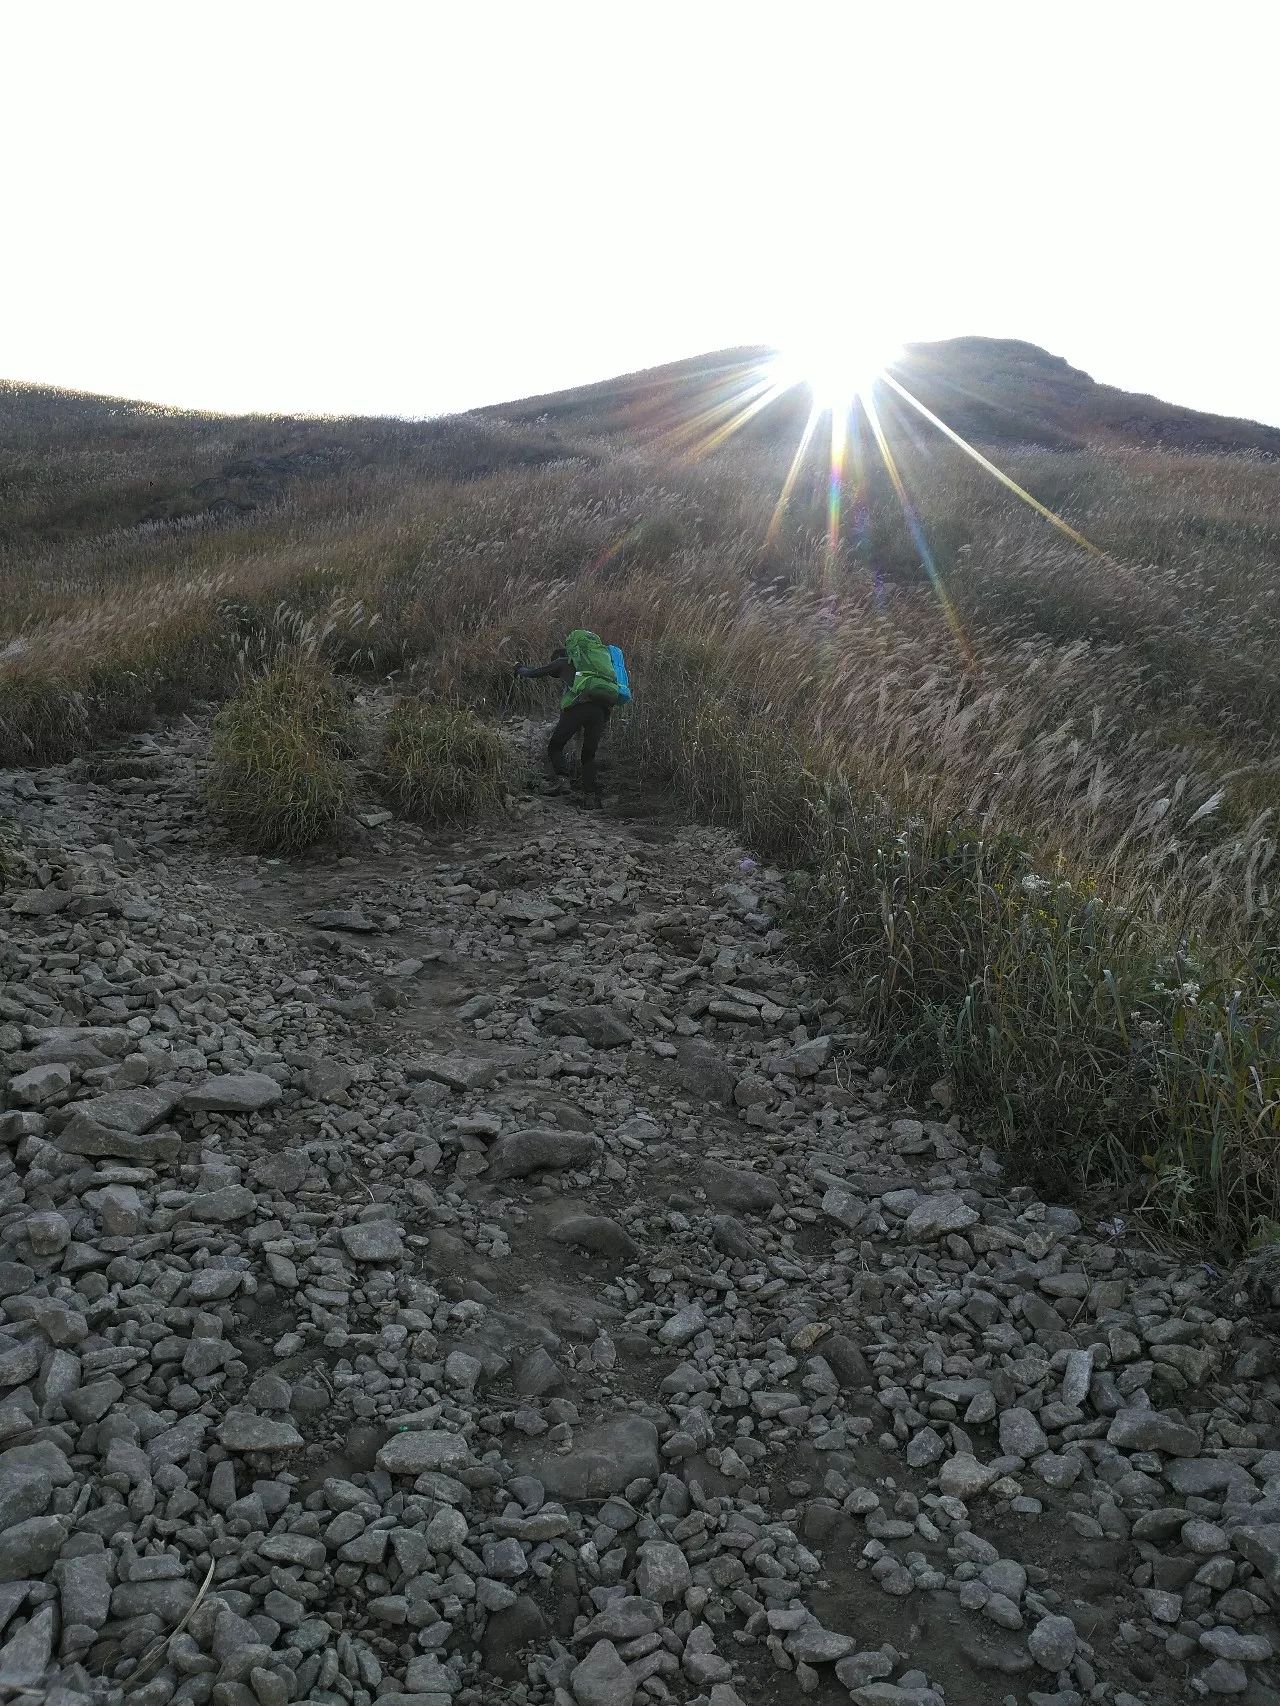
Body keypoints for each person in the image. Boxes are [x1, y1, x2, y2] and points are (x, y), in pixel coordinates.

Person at [515, 628, 623, 802]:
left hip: (578, 708)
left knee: (555, 746)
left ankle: (563, 782)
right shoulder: (596, 668)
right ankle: (590, 797)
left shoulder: (562, 662)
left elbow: (534, 673)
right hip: (601, 710)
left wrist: (519, 669)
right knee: (589, 755)